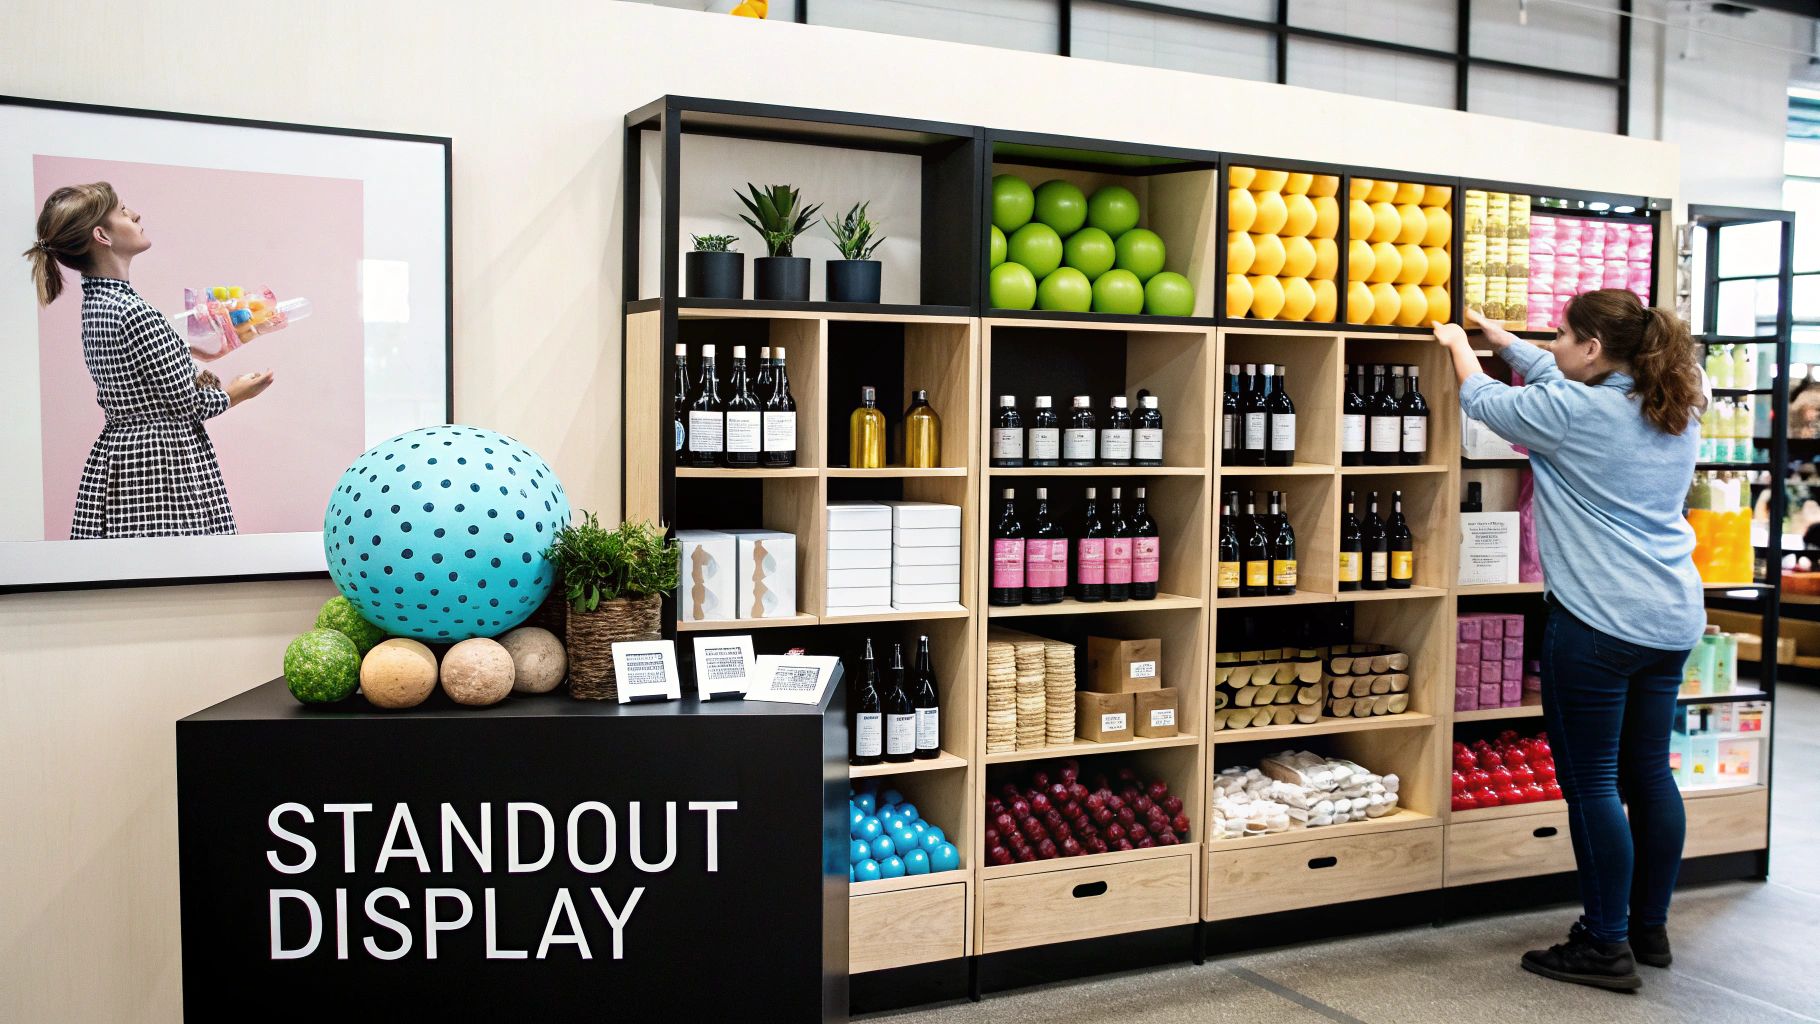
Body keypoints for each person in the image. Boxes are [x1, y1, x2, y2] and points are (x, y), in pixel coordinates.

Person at [1433, 293, 1705, 993]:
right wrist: (1505, 337)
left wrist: (1460, 345)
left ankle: (1602, 944)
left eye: (1560, 334)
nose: (1551, 343)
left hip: (1598, 624)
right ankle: (1648, 929)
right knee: (1648, 773)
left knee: (1591, 788)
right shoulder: (1674, 401)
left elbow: (1488, 402)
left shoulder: (1575, 414)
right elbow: (1556, 382)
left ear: (1591, 348)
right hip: (1671, 618)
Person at [23, 182, 274, 538]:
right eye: (123, 211)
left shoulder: (99, 305)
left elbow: (139, 377)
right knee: (178, 577)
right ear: (102, 235)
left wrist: (188, 350)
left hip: (123, 458)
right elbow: (188, 406)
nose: (135, 215)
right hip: (159, 465)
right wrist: (236, 393)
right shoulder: (132, 311)